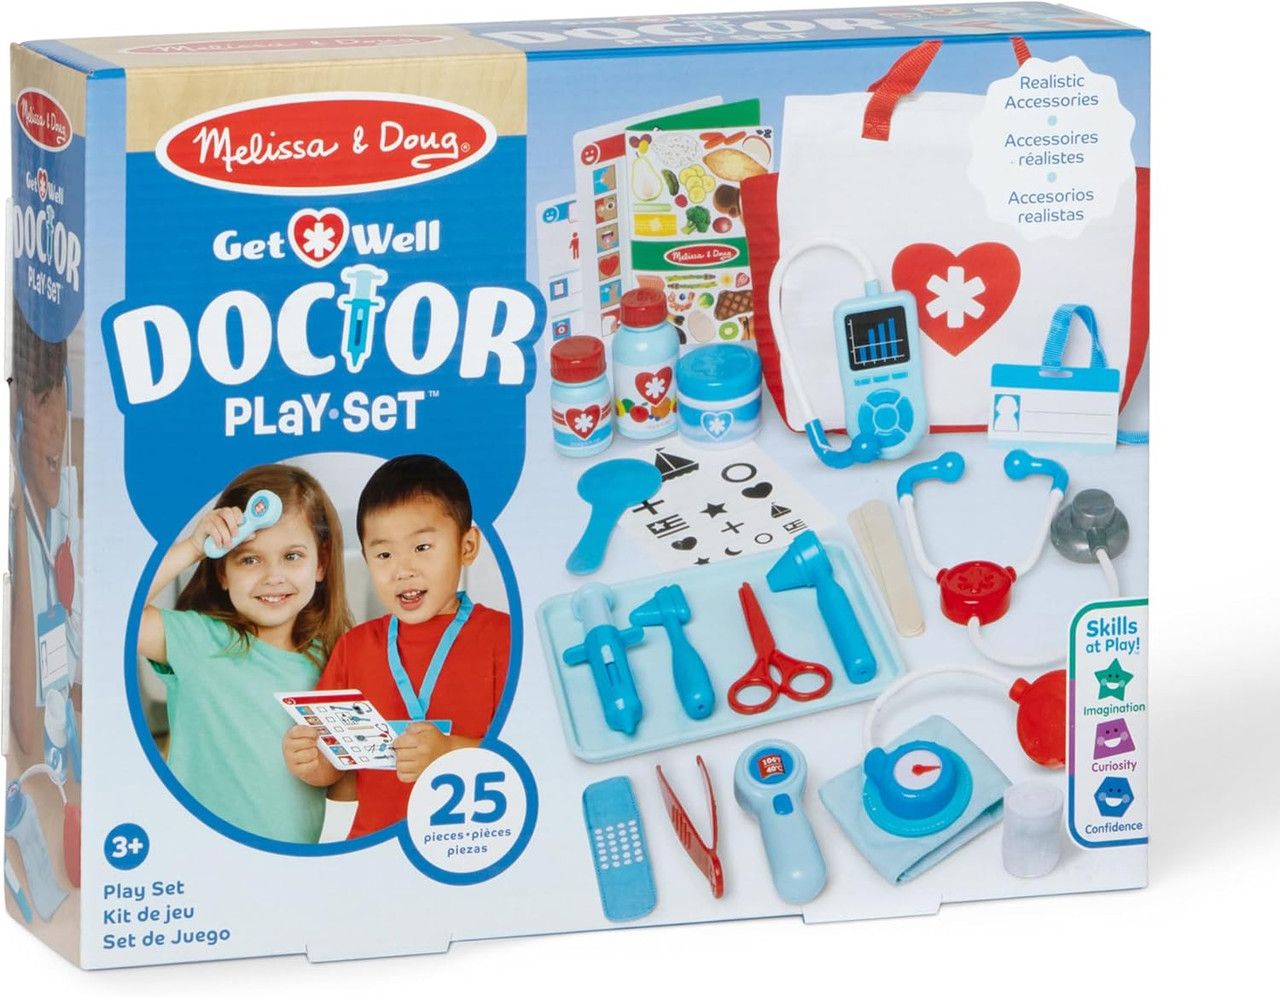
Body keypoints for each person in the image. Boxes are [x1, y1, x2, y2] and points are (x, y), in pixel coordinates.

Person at [283, 455, 510, 839]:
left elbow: (527, 755)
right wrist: (311, 763)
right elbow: (335, 767)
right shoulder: (354, 648)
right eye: (384, 554)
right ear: (366, 559)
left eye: (422, 547)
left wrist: (448, 751)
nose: (403, 570)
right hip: (372, 851)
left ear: (467, 546)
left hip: (471, 844)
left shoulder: (503, 637)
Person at [137, 464, 352, 844]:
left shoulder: (338, 657)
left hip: (290, 864)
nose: (273, 576)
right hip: (198, 853)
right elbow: (115, 617)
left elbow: (347, 788)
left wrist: (326, 768)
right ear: (222, 571)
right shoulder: (198, 640)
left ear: (321, 562)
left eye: (292, 556)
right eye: (249, 559)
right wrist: (192, 548)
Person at [8, 307, 80, 765]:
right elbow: (25, 729)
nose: (55, 424)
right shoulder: (19, 522)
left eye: (58, 395)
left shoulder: (64, 500)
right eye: (41, 398)